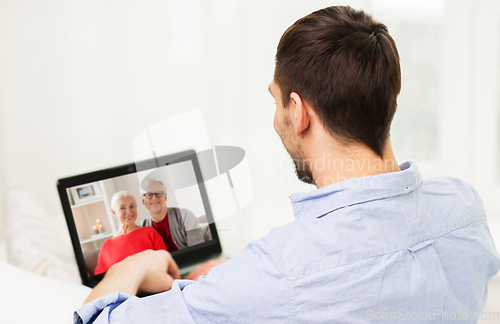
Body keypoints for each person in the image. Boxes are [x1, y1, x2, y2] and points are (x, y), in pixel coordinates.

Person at [76, 6, 500, 323]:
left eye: (275, 100)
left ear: (298, 112)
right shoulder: (465, 208)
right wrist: (238, 281)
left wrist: (131, 266)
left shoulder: (284, 268)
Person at [94, 191, 168, 275]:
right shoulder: (107, 246)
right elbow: (101, 278)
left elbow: (166, 261)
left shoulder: (150, 232)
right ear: (114, 212)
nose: (129, 212)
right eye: (122, 208)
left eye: (132, 206)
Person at [140, 178, 205, 251]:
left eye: (158, 193)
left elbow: (198, 250)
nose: (154, 197)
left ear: (165, 197)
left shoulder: (186, 216)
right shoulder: (140, 229)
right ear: (143, 201)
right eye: (149, 194)